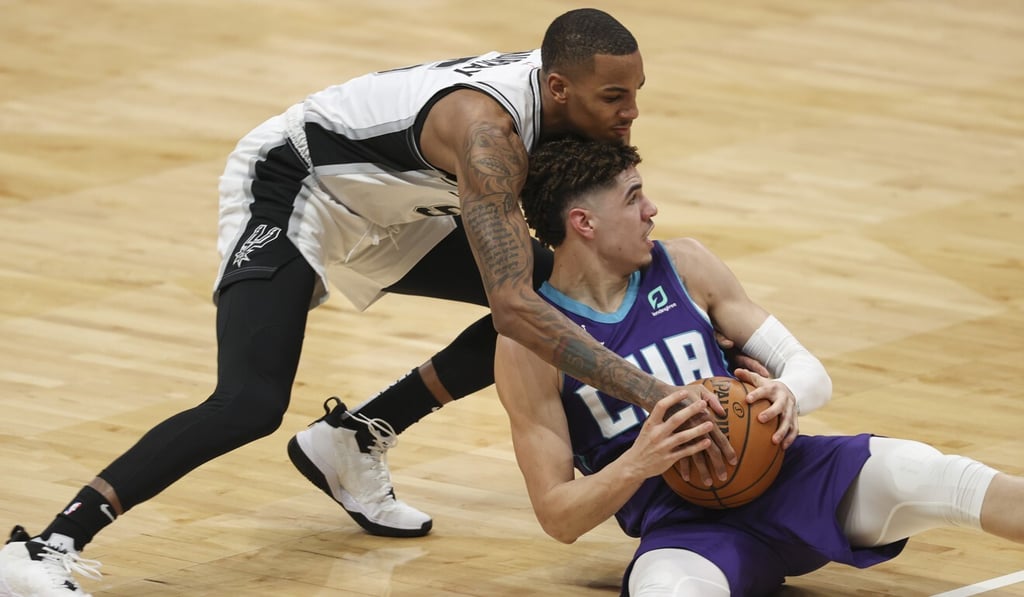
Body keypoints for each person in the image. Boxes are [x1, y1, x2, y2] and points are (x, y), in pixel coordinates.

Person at [0, 9, 749, 597]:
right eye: (614, 97)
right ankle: (43, 546)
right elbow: (520, 310)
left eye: (636, 94)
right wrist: (658, 394)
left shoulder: (556, 113)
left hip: (393, 205)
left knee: (553, 300)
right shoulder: (489, 134)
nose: (630, 113)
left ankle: (355, 438)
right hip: (299, 188)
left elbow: (556, 286)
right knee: (250, 399)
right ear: (558, 88)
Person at [494, 136, 1024, 596]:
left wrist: (789, 392)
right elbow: (558, 516)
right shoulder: (528, 346)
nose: (651, 208)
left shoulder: (684, 265)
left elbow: (807, 368)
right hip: (684, 525)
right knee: (663, 590)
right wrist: (640, 461)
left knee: (930, 472)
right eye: (633, 198)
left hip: (791, 475)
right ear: (584, 222)